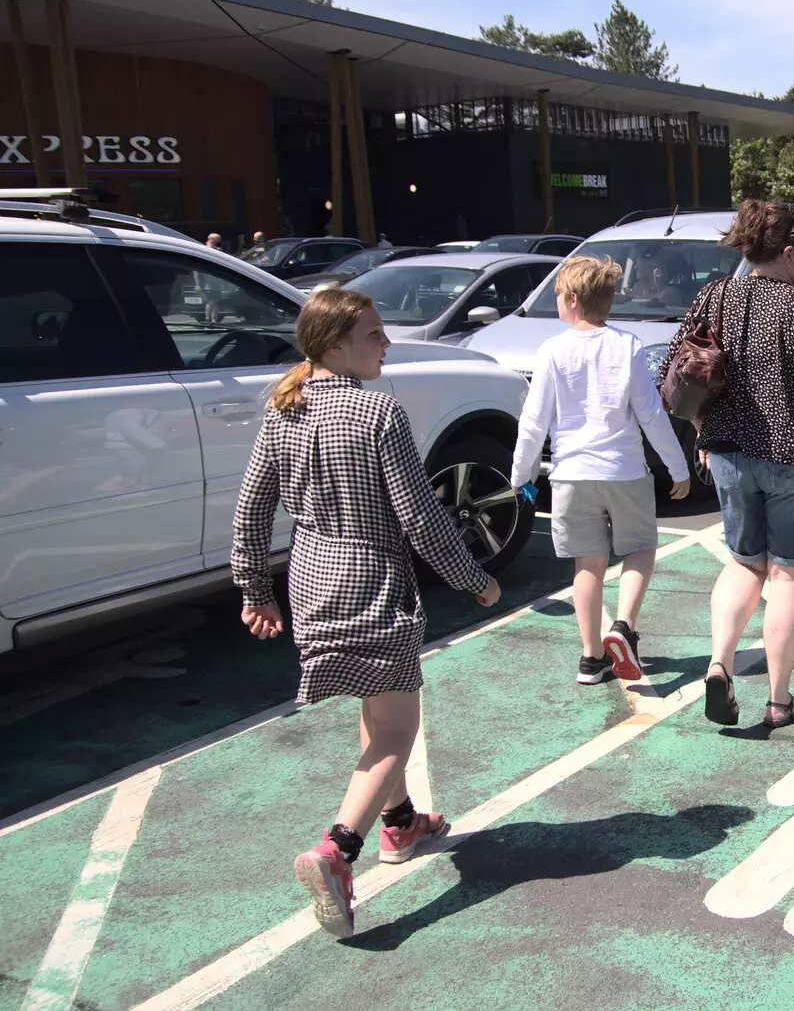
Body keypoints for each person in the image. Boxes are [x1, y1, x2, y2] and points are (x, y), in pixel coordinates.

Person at [231, 287, 502, 939]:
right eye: (375, 335)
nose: (385, 343)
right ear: (334, 346)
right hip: (373, 583)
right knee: (394, 730)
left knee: (374, 708)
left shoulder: (282, 408)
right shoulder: (378, 413)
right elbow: (420, 518)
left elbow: (250, 509)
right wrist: (475, 580)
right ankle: (337, 850)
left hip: (310, 579)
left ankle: (402, 822)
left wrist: (253, 590)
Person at [660, 200, 794, 731]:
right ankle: (779, 700)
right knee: (788, 578)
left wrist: (703, 434)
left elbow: (679, 373)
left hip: (729, 456)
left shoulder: (713, 297)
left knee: (742, 564)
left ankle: (718, 664)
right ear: (789, 253)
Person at [510, 256, 690, 685]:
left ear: (572, 300)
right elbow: (651, 414)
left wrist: (522, 475)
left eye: (557, 296)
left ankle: (591, 659)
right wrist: (677, 467)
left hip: (571, 473)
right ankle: (624, 626)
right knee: (640, 548)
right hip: (624, 468)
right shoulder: (627, 346)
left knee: (586, 565)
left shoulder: (552, 351)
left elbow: (534, 422)